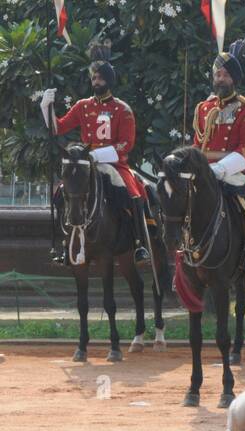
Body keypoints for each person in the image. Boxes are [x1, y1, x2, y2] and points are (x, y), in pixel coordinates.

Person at [40, 41, 151, 266]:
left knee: (133, 192)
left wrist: (96, 156)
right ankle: (63, 243)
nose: (95, 82)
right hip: (84, 164)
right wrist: (46, 107)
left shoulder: (123, 109)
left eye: (99, 78)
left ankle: (140, 243)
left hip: (113, 163)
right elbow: (57, 128)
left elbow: (126, 144)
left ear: (108, 81)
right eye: (93, 78)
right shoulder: (82, 106)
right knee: (61, 193)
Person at [192, 40, 245, 294]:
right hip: (207, 172)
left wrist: (221, 169)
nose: (221, 77)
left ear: (234, 79)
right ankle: (185, 263)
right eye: (218, 73)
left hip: (235, 171)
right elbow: (198, 145)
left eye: (226, 74)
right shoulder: (203, 108)